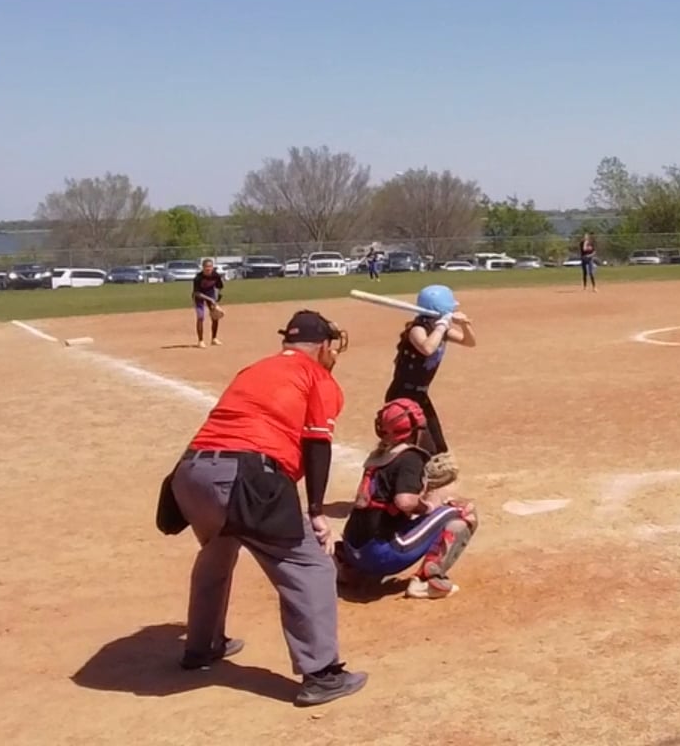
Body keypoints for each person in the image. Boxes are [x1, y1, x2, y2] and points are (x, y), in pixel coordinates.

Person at [161, 310, 367, 706]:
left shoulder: (254, 369)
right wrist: (317, 511)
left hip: (189, 473)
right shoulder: (316, 376)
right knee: (310, 566)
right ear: (323, 346)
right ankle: (322, 675)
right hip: (244, 475)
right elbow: (317, 443)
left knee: (218, 549)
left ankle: (201, 647)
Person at [334, 398, 478, 600]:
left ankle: (350, 570)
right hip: (380, 555)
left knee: (388, 516)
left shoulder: (377, 457)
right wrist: (428, 507)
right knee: (464, 512)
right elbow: (405, 502)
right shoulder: (410, 457)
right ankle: (428, 582)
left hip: (353, 550)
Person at [383, 284, 476, 455]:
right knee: (413, 446)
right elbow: (427, 348)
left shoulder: (440, 329)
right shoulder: (418, 329)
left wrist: (464, 325)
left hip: (420, 395)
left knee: (438, 447)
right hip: (402, 394)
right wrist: (442, 325)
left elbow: (469, 342)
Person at [192, 258, 225, 348]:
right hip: (199, 296)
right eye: (206, 267)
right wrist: (210, 299)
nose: (208, 268)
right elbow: (197, 293)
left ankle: (214, 339)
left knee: (215, 316)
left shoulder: (216, 275)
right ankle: (200, 341)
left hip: (210, 293)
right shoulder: (198, 278)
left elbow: (219, 287)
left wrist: (216, 297)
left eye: (210, 266)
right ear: (203, 267)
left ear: (212, 267)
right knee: (200, 317)